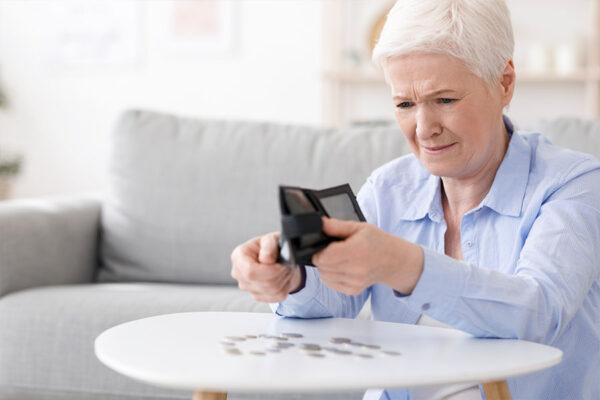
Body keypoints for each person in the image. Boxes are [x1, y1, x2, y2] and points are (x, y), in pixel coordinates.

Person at [230, 0, 600, 399]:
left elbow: (536, 313)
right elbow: (333, 303)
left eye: (445, 100)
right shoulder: (389, 188)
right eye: (405, 104)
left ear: (504, 82)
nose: (424, 130)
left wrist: (401, 264)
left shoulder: (573, 185)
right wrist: (292, 279)